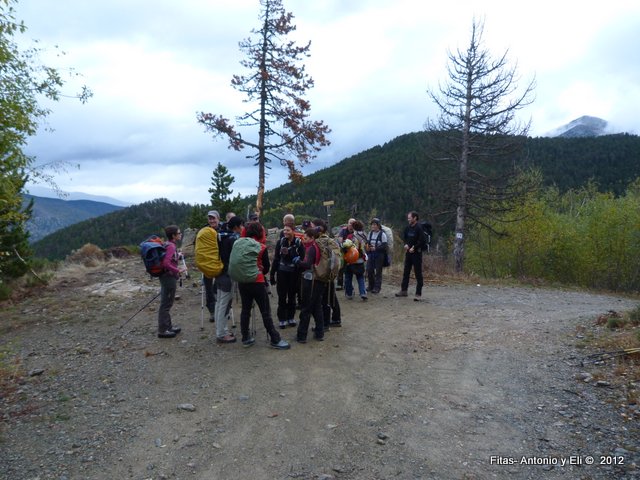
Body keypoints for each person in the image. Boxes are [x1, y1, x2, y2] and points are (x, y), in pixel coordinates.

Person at [237, 221, 290, 350]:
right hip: (257, 281)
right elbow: (266, 268)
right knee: (265, 311)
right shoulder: (260, 246)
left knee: (245, 310)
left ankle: (245, 337)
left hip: (242, 281)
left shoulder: (239, 244)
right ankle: (275, 338)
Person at [214, 216, 244, 344]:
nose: (242, 227)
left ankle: (221, 329)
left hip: (219, 272)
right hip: (227, 274)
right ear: (236, 226)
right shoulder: (232, 239)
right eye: (241, 225)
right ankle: (221, 334)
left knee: (220, 302)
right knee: (225, 304)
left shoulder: (222, 236)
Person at [271, 224, 304, 328]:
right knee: (282, 296)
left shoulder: (299, 243)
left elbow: (303, 258)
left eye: (288, 230)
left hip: (294, 273)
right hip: (282, 272)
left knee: (292, 296)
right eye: (284, 230)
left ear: (293, 231)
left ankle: (291, 317)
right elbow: (276, 258)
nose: (285, 232)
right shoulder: (280, 242)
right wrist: (272, 274)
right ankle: (282, 318)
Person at [295, 228, 325, 342]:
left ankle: (302, 335)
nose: (304, 239)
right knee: (317, 307)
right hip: (318, 279)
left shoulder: (311, 248)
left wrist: (297, 262)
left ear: (312, 238)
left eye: (306, 238)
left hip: (311, 280)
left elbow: (307, 264)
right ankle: (319, 333)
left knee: (306, 308)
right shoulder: (317, 246)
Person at [157, 225, 186, 338]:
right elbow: (166, 263)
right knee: (166, 303)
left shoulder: (168, 244)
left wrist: (178, 255)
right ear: (173, 235)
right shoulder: (171, 246)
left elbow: (169, 259)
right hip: (168, 278)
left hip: (165, 276)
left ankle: (168, 327)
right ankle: (163, 330)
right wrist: (178, 270)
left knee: (167, 302)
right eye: (179, 233)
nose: (180, 234)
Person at [312, 218, 342, 327]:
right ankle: (336, 319)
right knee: (330, 296)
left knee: (325, 299)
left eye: (312, 226)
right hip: (329, 274)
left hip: (323, 274)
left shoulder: (320, 242)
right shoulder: (329, 240)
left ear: (319, 228)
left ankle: (326, 323)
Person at [396, 211, 426, 300]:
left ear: (415, 218)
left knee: (418, 273)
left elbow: (422, 241)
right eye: (408, 218)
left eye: (409, 218)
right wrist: (406, 244)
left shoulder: (419, 228)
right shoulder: (408, 227)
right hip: (408, 253)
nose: (408, 219)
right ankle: (404, 290)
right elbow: (405, 237)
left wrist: (415, 247)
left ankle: (418, 294)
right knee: (406, 272)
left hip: (417, 254)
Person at [201, 210, 221, 322]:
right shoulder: (204, 231)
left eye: (214, 218)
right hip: (207, 264)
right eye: (210, 218)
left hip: (220, 262)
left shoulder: (224, 229)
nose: (212, 220)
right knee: (208, 289)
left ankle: (222, 310)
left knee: (220, 287)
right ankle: (212, 311)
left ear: (218, 219)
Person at [344, 219, 368, 301]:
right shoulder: (364, 236)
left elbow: (345, 247)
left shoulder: (351, 237)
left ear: (354, 227)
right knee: (360, 277)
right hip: (360, 260)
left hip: (351, 260)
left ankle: (349, 294)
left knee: (348, 277)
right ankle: (363, 292)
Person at [366, 218, 388, 294]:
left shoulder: (382, 234)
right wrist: (367, 247)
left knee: (378, 272)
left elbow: (384, 246)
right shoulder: (370, 233)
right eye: (372, 224)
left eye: (374, 224)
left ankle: (377, 288)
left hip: (379, 255)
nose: (373, 226)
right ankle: (371, 286)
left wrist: (376, 248)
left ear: (378, 225)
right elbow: (367, 243)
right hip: (371, 254)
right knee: (369, 270)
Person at [335, 218, 355, 290]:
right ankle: (339, 284)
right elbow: (340, 240)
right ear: (348, 223)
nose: (351, 225)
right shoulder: (343, 230)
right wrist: (344, 244)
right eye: (350, 223)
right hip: (343, 251)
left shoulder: (356, 232)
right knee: (341, 268)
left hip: (352, 253)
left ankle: (348, 284)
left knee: (350, 269)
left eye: (353, 223)